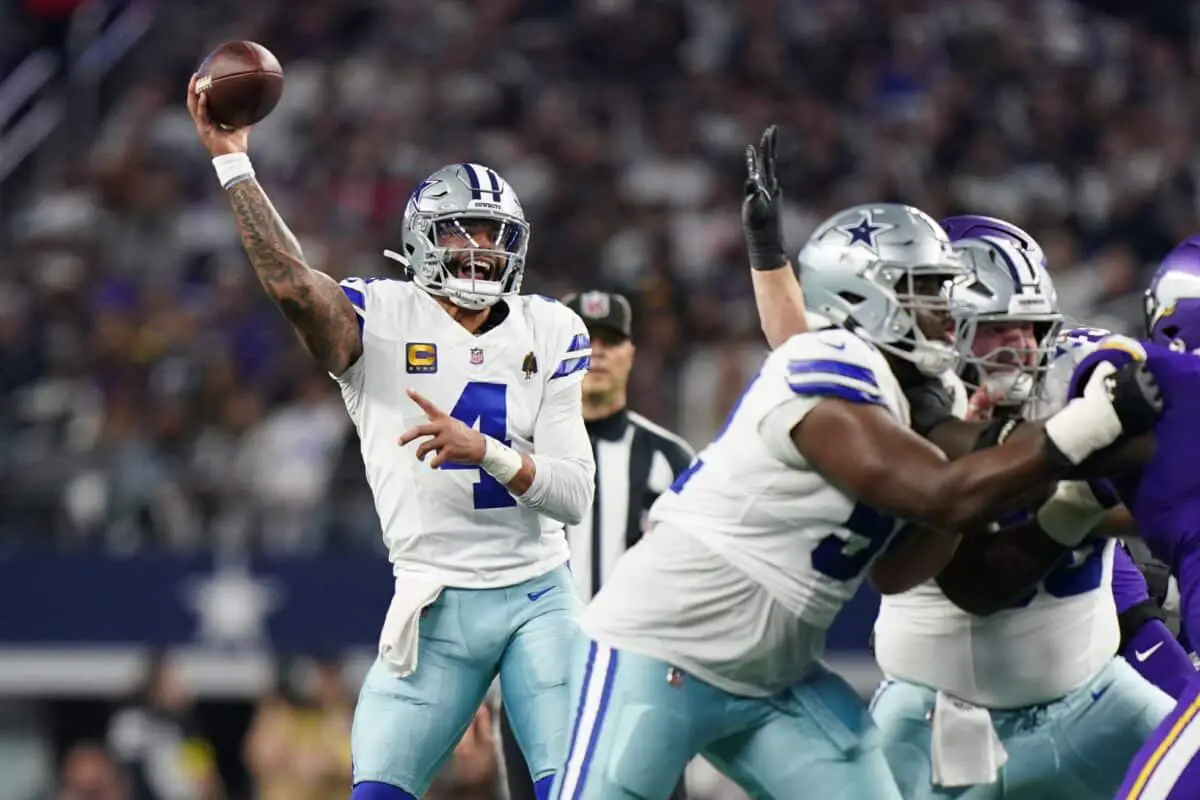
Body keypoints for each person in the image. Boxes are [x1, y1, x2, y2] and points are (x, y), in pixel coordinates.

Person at [549, 129, 1161, 797]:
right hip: (661, 649)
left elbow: (905, 564)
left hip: (778, 677)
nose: (946, 312)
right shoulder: (827, 366)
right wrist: (1093, 424)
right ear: (869, 298)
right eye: (929, 291)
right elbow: (943, 491)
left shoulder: (927, 393)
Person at [186, 78, 595, 800]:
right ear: (419, 240)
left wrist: (489, 453)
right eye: (459, 232)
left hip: (538, 594)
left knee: (578, 790)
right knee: (375, 789)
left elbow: (575, 495)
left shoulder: (551, 327)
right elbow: (290, 287)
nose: (477, 251)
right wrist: (234, 164)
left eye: (491, 235)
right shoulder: (379, 314)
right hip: (432, 598)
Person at [867, 222, 1174, 799]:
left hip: (1093, 702)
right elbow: (978, 579)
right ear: (943, 326)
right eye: (996, 326)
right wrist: (1075, 472)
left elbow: (1165, 479)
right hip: (930, 718)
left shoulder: (1077, 372)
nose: (1022, 343)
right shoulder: (896, 407)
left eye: (1031, 325)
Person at [499, 290, 694, 800]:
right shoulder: (513, 455)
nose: (599, 353)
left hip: (641, 687)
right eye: (585, 341)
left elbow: (696, 581)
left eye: (611, 341)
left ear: (631, 354)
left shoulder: (669, 458)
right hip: (538, 683)